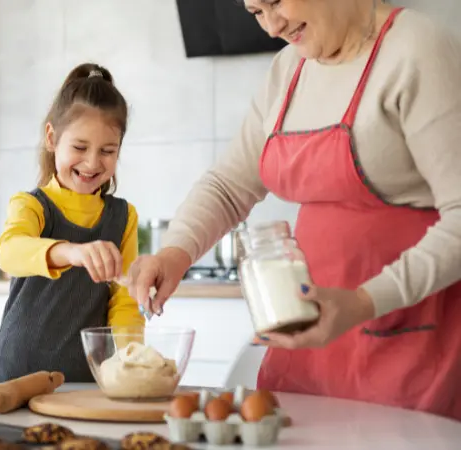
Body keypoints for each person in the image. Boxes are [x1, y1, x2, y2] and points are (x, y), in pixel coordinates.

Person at [126, 0, 461, 420]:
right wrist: (175, 252)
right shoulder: (290, 69)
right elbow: (229, 185)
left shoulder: (416, 49)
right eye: (255, 12)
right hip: (305, 347)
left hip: (408, 343)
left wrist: (362, 302)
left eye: (276, 2)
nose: (271, 26)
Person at [0, 62, 145, 383]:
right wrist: (71, 252)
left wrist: (133, 360)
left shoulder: (123, 217)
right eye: (79, 147)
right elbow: (8, 252)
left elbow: (124, 302)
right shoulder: (32, 205)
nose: (92, 162)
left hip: (86, 377)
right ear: (51, 137)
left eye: (107, 150)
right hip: (18, 371)